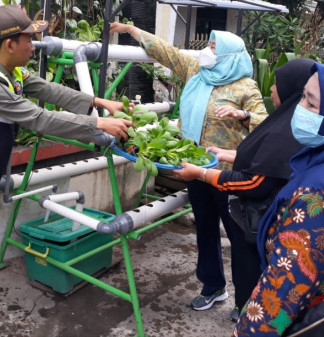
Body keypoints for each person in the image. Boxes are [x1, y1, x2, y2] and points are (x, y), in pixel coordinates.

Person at [0, 5, 133, 337]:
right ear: (9, 44)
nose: (34, 46)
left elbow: (47, 90)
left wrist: (97, 103)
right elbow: (38, 118)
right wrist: (97, 125)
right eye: (30, 40)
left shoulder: (7, 69)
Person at [110, 22, 267, 310]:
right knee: (205, 230)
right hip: (193, 168)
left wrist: (242, 114)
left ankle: (246, 302)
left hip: (225, 175)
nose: (207, 51)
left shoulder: (245, 87)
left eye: (214, 47)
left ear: (230, 56)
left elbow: (264, 125)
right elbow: (166, 53)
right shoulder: (197, 71)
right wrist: (132, 31)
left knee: (237, 237)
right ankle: (213, 286)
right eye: (208, 45)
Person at [231, 60, 324, 336]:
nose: (300, 108)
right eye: (302, 95)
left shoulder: (322, 198)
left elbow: (280, 294)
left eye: (311, 103)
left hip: (312, 319)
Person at [172, 58, 314, 321]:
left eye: (276, 84)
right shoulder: (284, 120)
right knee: (209, 232)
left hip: (241, 193)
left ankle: (248, 306)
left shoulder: (289, 126)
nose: (271, 89)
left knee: (245, 249)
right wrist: (227, 154)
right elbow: (263, 157)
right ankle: (218, 288)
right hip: (215, 169)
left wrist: (202, 172)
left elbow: (256, 181)